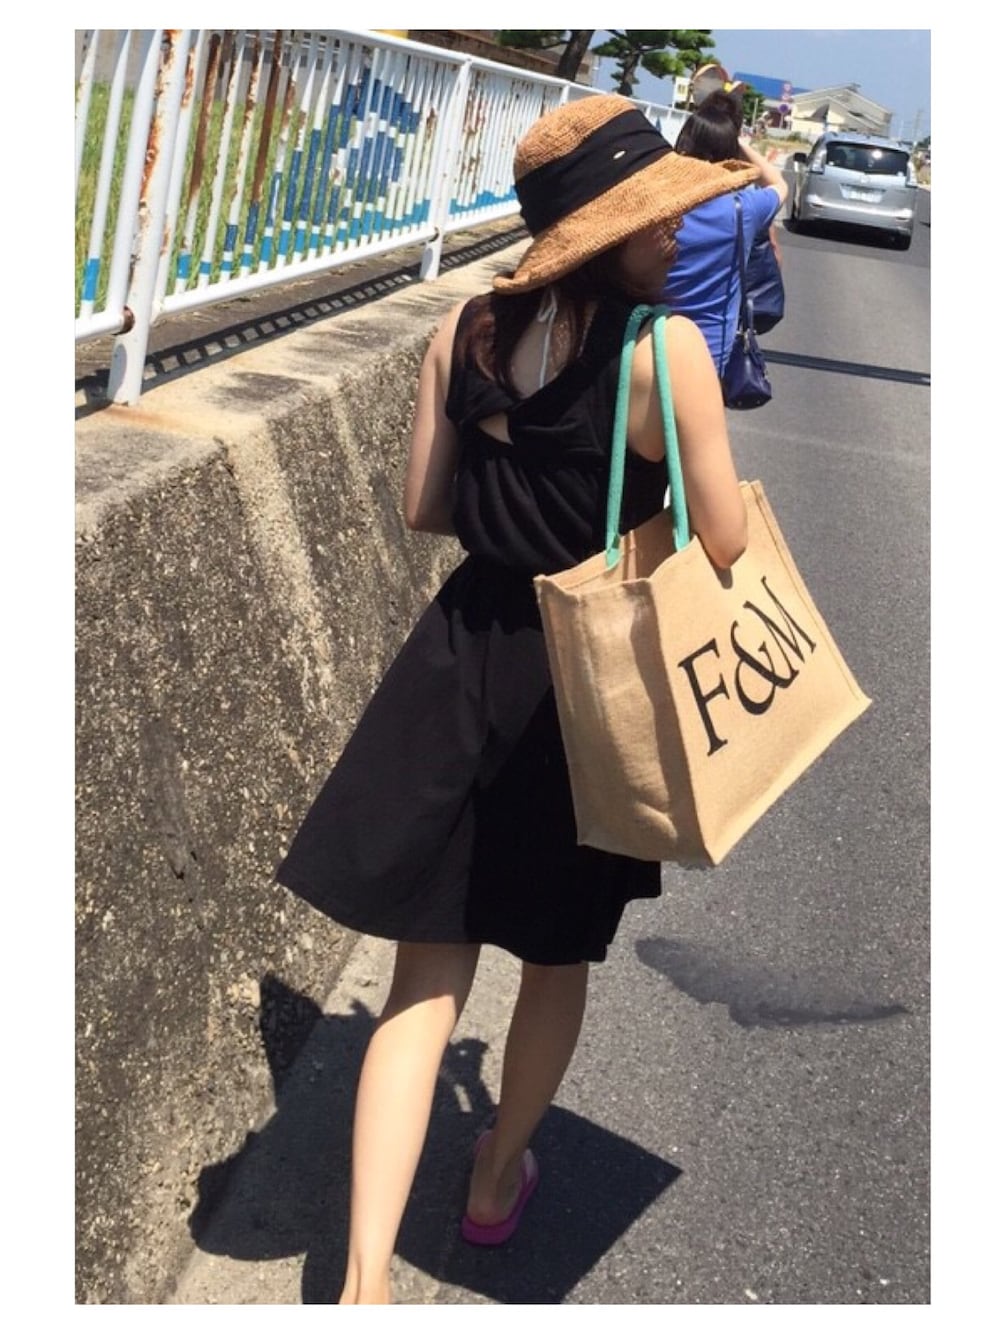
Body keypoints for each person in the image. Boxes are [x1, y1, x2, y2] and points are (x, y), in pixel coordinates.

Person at [274, 93, 757, 1305]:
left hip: (460, 655)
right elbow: (726, 539)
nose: (675, 232)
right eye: (656, 218)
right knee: (551, 954)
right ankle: (492, 1182)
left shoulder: (467, 329)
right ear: (609, 227)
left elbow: (423, 507)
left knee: (421, 980)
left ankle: (363, 1282)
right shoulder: (663, 350)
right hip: (577, 689)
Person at [663, 90, 789, 369]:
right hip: (710, 350)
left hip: (649, 341)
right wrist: (739, 143)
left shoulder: (658, 203)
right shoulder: (745, 208)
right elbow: (778, 184)